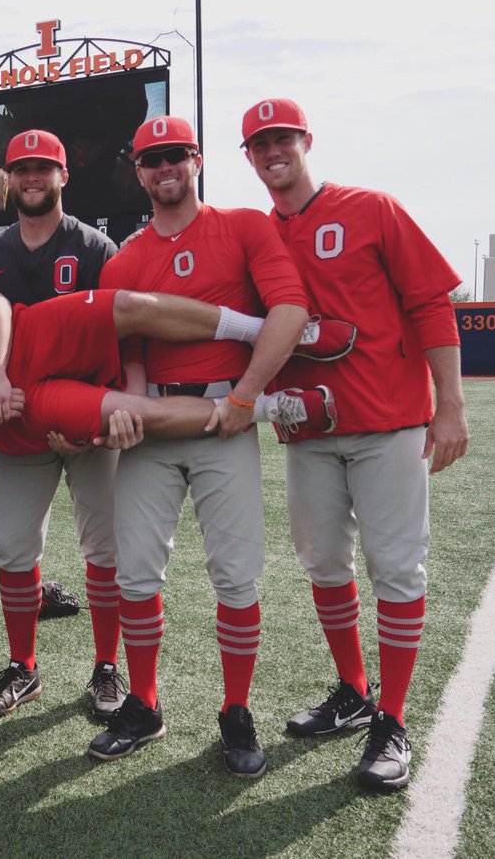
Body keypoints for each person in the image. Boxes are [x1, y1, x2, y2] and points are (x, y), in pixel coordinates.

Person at [0, 220, 341, 731]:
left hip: (22, 340)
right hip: (14, 411)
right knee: (118, 413)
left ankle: (267, 331)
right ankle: (272, 407)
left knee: (123, 305)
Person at [239, 98, 469, 791]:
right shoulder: (253, 233)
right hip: (309, 432)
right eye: (260, 143)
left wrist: (451, 404)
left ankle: (392, 720)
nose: (274, 151)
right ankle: (353, 689)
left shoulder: (371, 208)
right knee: (325, 564)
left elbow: (431, 301)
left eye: (283, 138)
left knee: (396, 569)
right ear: (247, 157)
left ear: (306, 140)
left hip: (390, 420)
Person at [87, 116, 317, 779]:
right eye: (152, 160)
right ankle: (145, 701)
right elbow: (126, 351)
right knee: (135, 573)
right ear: (138, 171)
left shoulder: (244, 225)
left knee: (236, 574)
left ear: (198, 160)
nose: (165, 169)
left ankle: (236, 709)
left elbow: (290, 311)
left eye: (176, 157)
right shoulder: (127, 257)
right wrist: (134, 407)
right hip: (158, 418)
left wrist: (245, 397)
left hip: (227, 414)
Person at [0, 129, 126, 721]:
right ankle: (23, 666)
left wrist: (97, 417)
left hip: (84, 422)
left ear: (64, 175)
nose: (32, 178)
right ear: (9, 179)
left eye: (43, 168)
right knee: (13, 547)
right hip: (18, 425)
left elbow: (116, 337)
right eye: (21, 169)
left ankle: (106, 666)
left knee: (104, 547)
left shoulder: (95, 247)